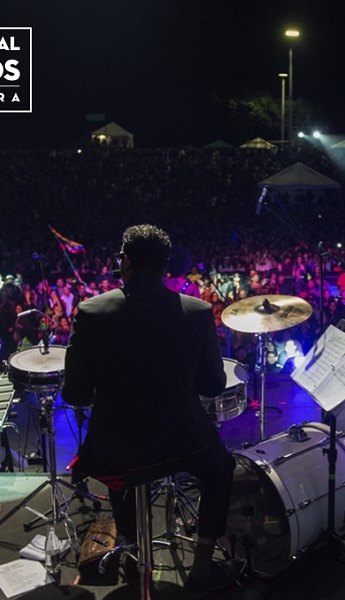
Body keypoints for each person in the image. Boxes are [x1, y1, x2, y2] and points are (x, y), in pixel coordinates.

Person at [62, 224, 240, 594]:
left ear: (124, 263)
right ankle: (203, 566)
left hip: (116, 445)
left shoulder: (90, 312)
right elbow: (212, 386)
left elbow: (76, 395)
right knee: (222, 469)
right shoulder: (197, 311)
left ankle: (130, 550)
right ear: (166, 267)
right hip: (181, 440)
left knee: (123, 468)